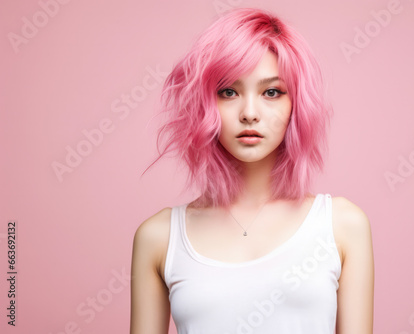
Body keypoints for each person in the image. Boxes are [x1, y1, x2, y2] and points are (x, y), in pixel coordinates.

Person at [130, 7, 374, 334]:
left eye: (271, 92)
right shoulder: (159, 238)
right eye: (228, 91)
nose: (249, 113)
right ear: (205, 103)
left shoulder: (342, 226)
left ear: (296, 105)